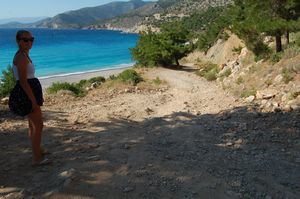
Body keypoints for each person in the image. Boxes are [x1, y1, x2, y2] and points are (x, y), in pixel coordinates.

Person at [9, 30, 51, 166]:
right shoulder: (21, 57)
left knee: (32, 125)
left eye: (31, 39)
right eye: (25, 40)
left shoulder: (24, 55)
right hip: (27, 93)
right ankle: (37, 159)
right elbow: (23, 81)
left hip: (30, 91)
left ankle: (37, 150)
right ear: (18, 41)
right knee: (38, 125)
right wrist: (33, 101)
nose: (29, 42)